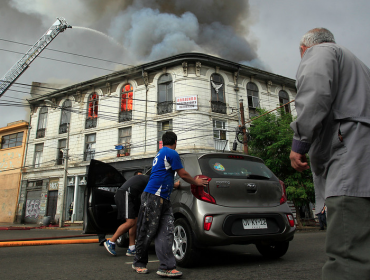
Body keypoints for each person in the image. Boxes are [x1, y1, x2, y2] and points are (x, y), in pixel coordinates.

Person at [289, 28, 370, 279]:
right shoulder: (359, 66)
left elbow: (314, 95)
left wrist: (299, 144)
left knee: (347, 254)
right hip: (362, 158)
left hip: (348, 161)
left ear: (304, 49)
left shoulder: (319, 52)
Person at [132, 131, 208, 277]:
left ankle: (166, 266)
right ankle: (139, 262)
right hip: (153, 196)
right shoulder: (171, 153)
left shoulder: (161, 153)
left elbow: (161, 175)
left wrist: (174, 184)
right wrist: (196, 181)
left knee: (166, 231)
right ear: (175, 142)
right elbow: (183, 173)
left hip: (163, 198)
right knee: (147, 231)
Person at [103, 171, 147, 256]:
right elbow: (159, 186)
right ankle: (111, 241)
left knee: (134, 222)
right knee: (130, 222)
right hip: (126, 195)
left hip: (132, 198)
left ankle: (131, 247)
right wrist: (175, 185)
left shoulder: (143, 181)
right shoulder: (149, 179)